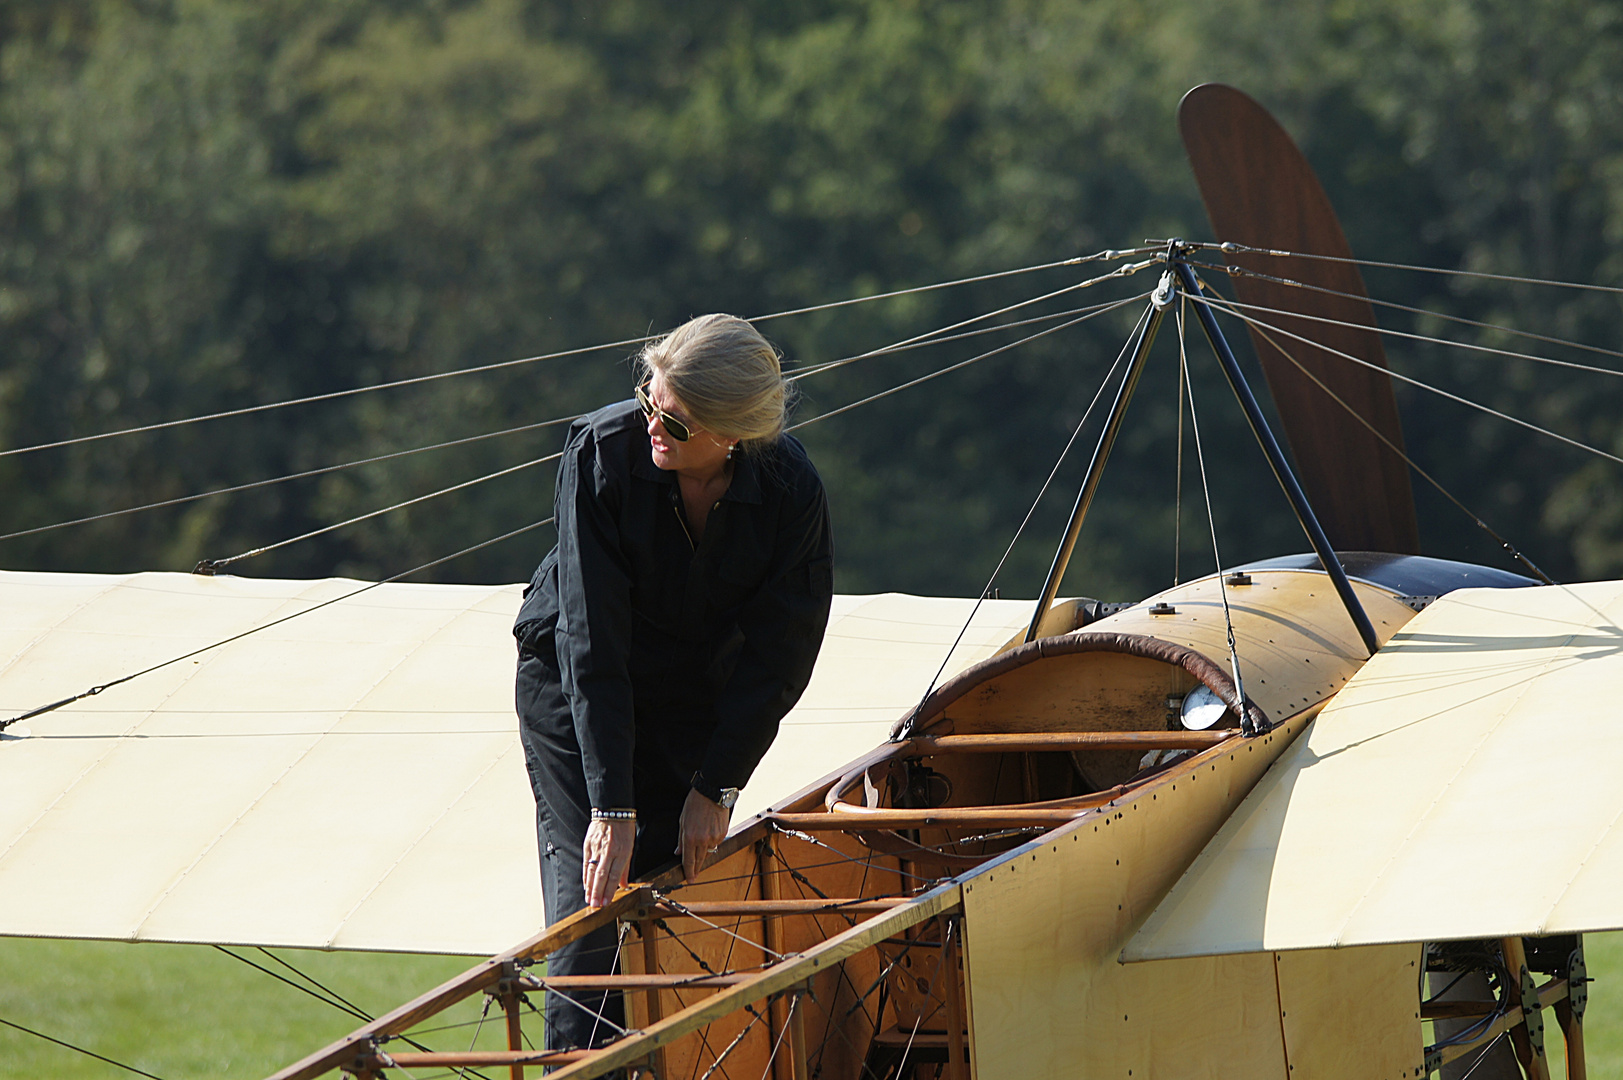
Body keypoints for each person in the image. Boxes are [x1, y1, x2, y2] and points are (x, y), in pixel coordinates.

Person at [512, 313, 835, 1051]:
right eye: (648, 401)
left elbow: (782, 653)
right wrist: (611, 804)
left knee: (676, 894)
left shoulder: (792, 492)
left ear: (734, 433)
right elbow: (591, 639)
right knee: (594, 901)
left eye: (677, 423)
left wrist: (716, 784)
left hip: (692, 689)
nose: (653, 425)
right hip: (573, 689)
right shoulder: (600, 452)